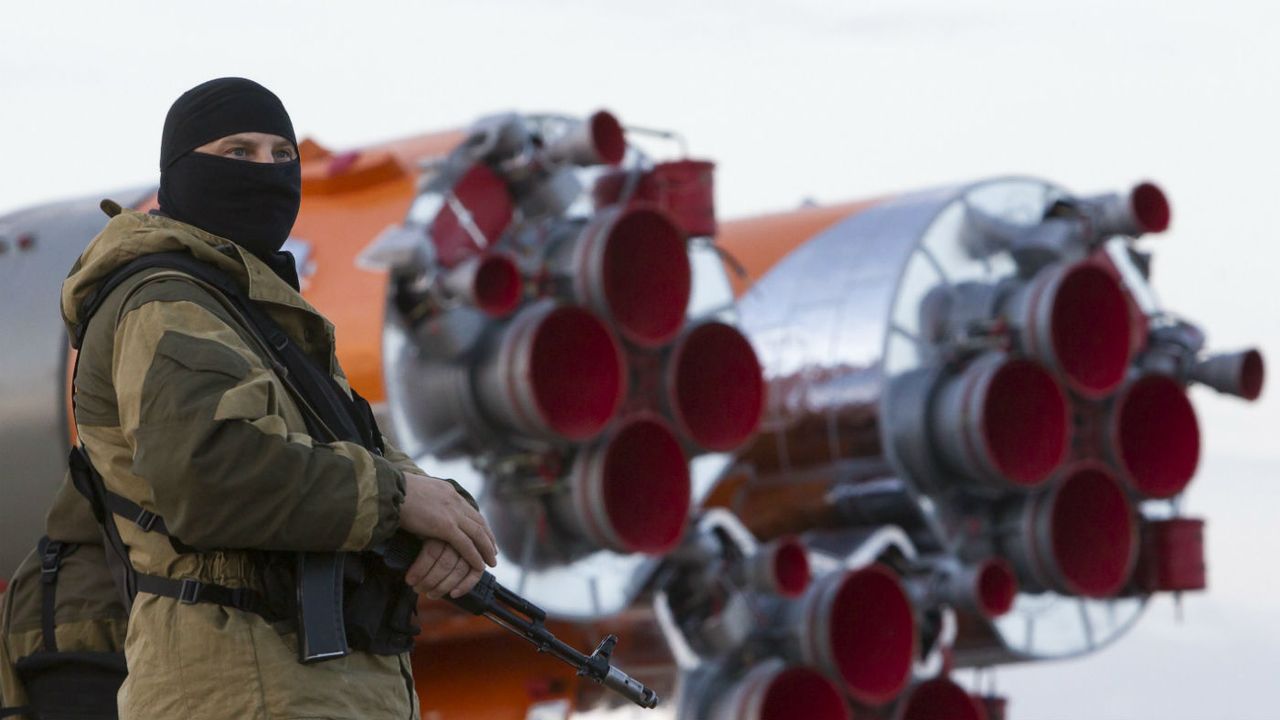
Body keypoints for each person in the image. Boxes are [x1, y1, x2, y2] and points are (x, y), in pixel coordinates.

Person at [59, 77, 497, 719]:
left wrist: (443, 518)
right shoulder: (169, 305)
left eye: (281, 156)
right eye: (239, 152)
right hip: (240, 692)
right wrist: (399, 501)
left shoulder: (259, 317)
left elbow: (360, 452)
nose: (266, 171)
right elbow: (213, 475)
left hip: (310, 693)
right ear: (182, 171)